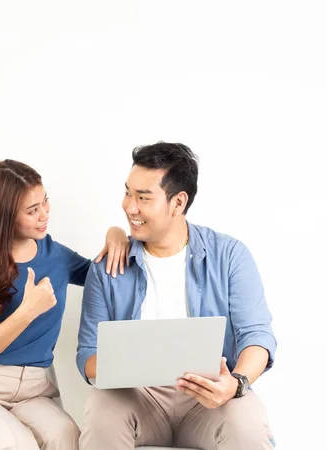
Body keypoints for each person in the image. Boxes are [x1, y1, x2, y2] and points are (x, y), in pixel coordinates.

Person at [77, 142, 277, 450]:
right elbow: (87, 355)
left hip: (209, 396)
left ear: (178, 202)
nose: (129, 206)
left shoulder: (229, 256)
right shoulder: (108, 266)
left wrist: (234, 384)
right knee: (101, 413)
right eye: (128, 192)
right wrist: (123, 364)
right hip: (136, 396)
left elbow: (258, 338)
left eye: (143, 197)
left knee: (247, 425)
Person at [0, 159, 129, 450]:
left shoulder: (56, 256)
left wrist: (117, 233)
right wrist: (26, 312)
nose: (44, 214)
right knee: (18, 444)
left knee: (67, 435)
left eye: (45, 202)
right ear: (5, 216)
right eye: (31, 210)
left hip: (34, 392)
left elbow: (105, 277)